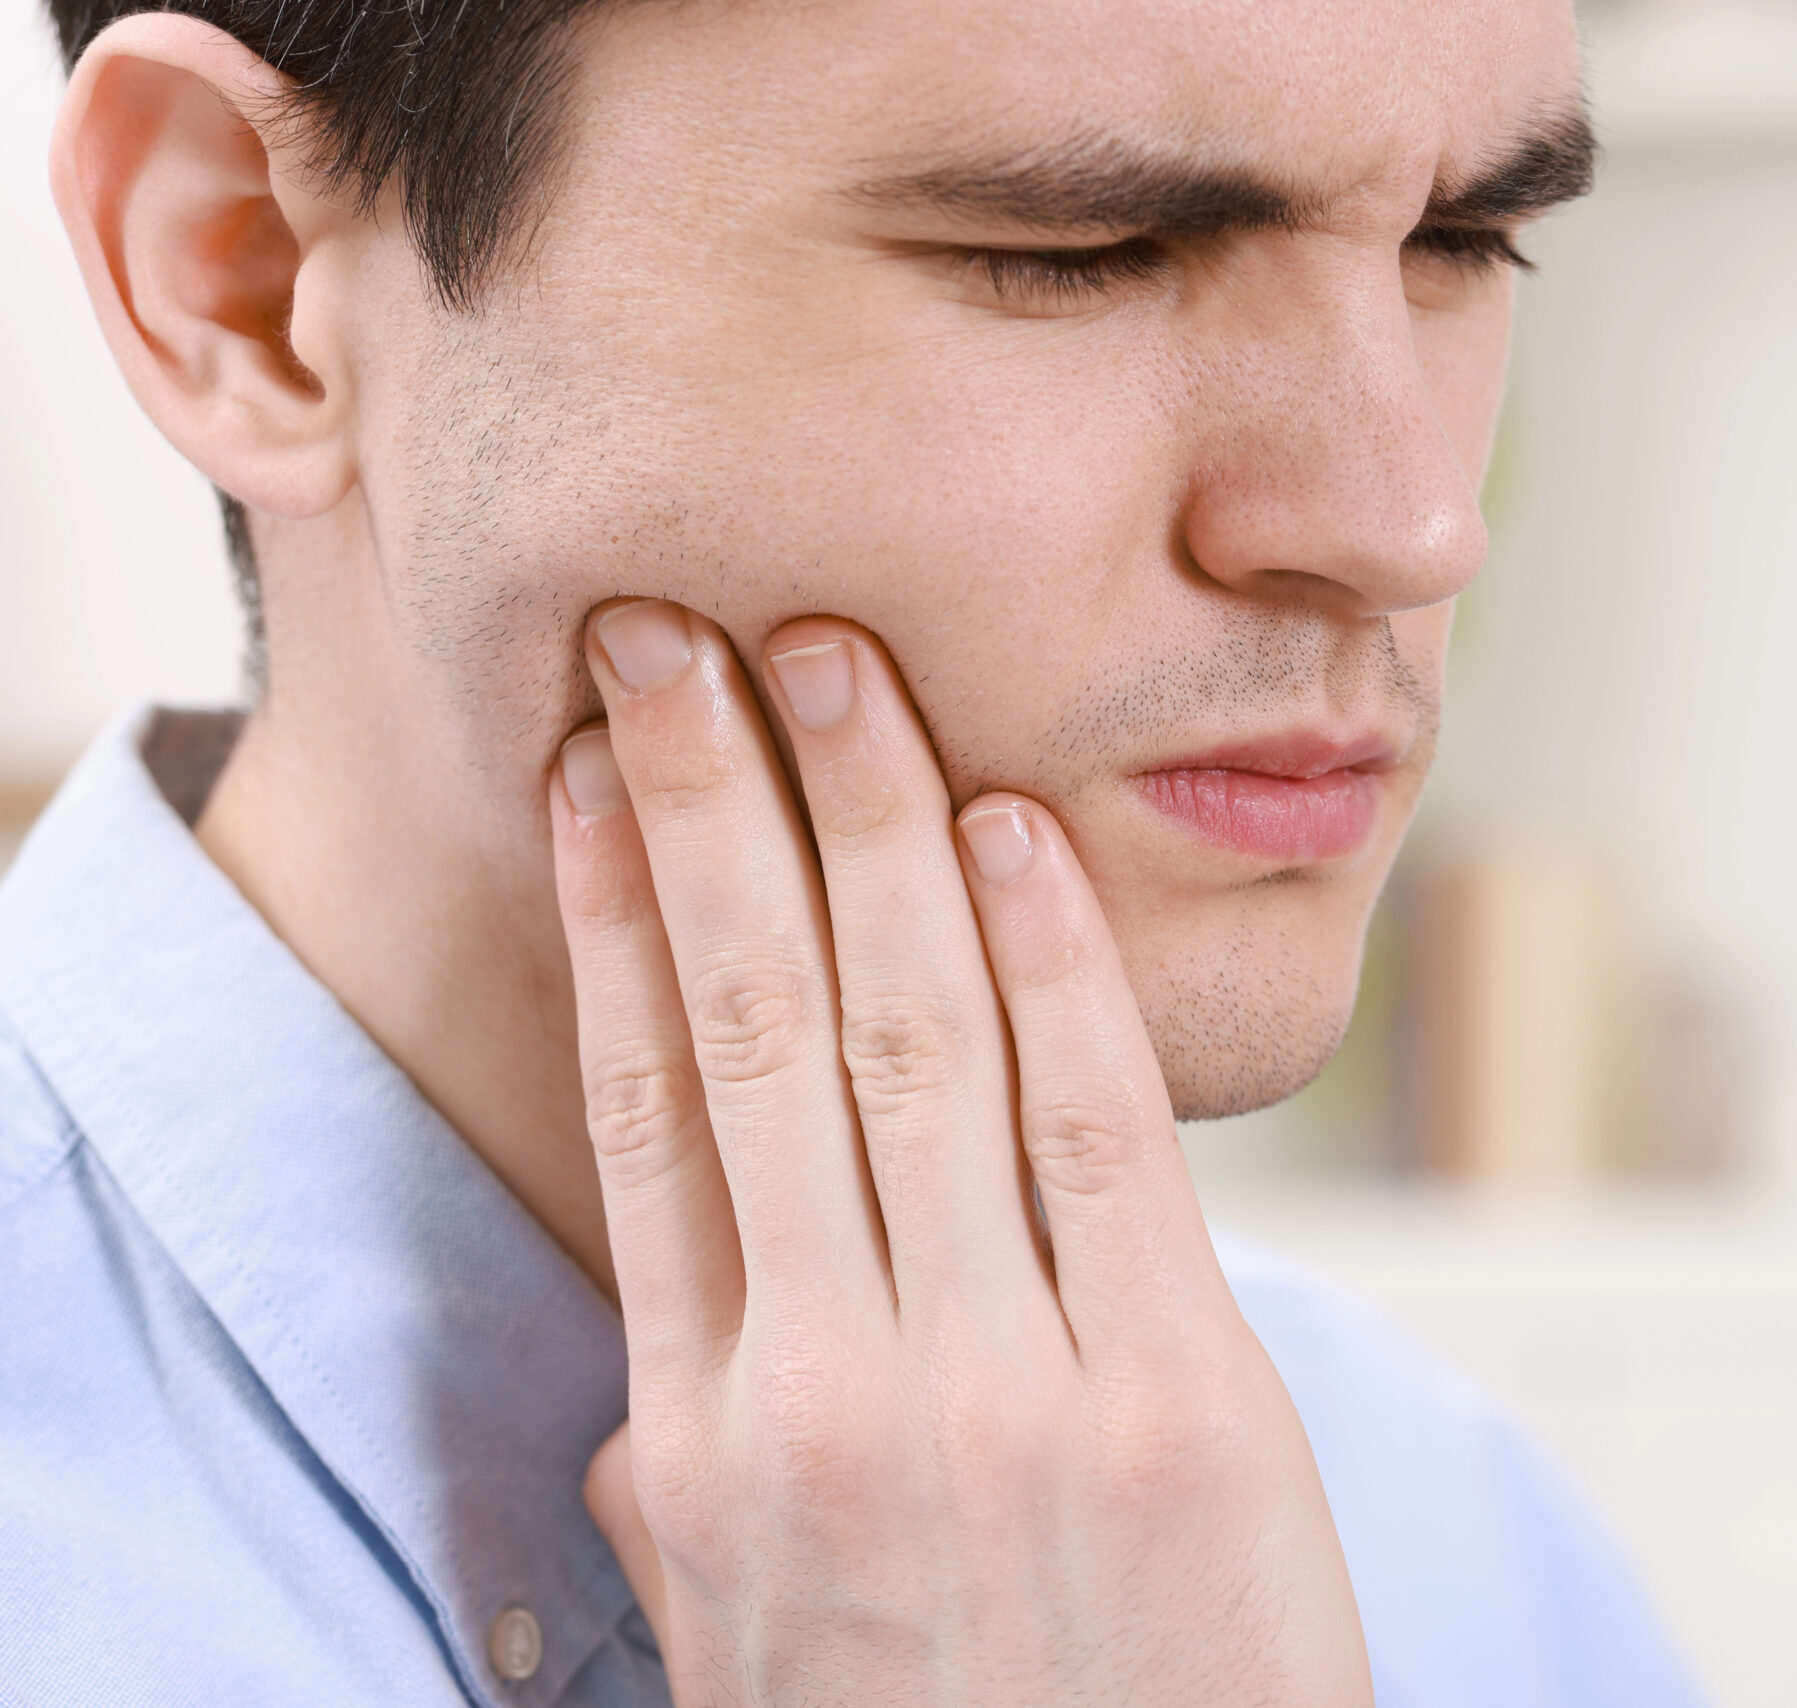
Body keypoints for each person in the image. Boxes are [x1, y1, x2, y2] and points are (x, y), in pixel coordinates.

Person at [0, 0, 1701, 1701]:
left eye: (1465, 242)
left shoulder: (1474, 1557)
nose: (1410, 525)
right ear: (243, 278)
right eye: (1079, 250)